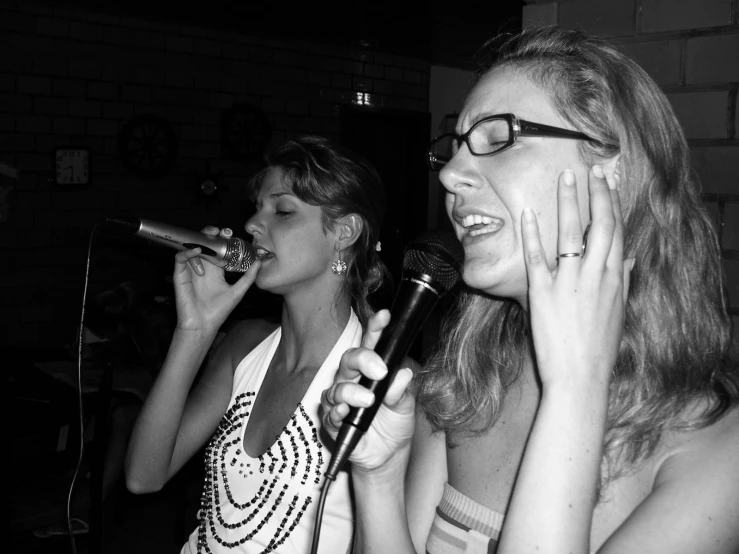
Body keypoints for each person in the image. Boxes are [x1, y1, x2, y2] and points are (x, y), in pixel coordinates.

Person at [321, 26, 739, 554]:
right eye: (452, 149)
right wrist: (378, 478)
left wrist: (576, 387)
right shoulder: (466, 384)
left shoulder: (720, 449)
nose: (450, 174)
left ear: (609, 170)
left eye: (499, 139)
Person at [124, 135, 388, 554]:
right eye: (257, 208)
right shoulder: (245, 343)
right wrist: (195, 331)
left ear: (344, 232)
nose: (250, 224)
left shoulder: (384, 382)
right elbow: (143, 476)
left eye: (282, 210)